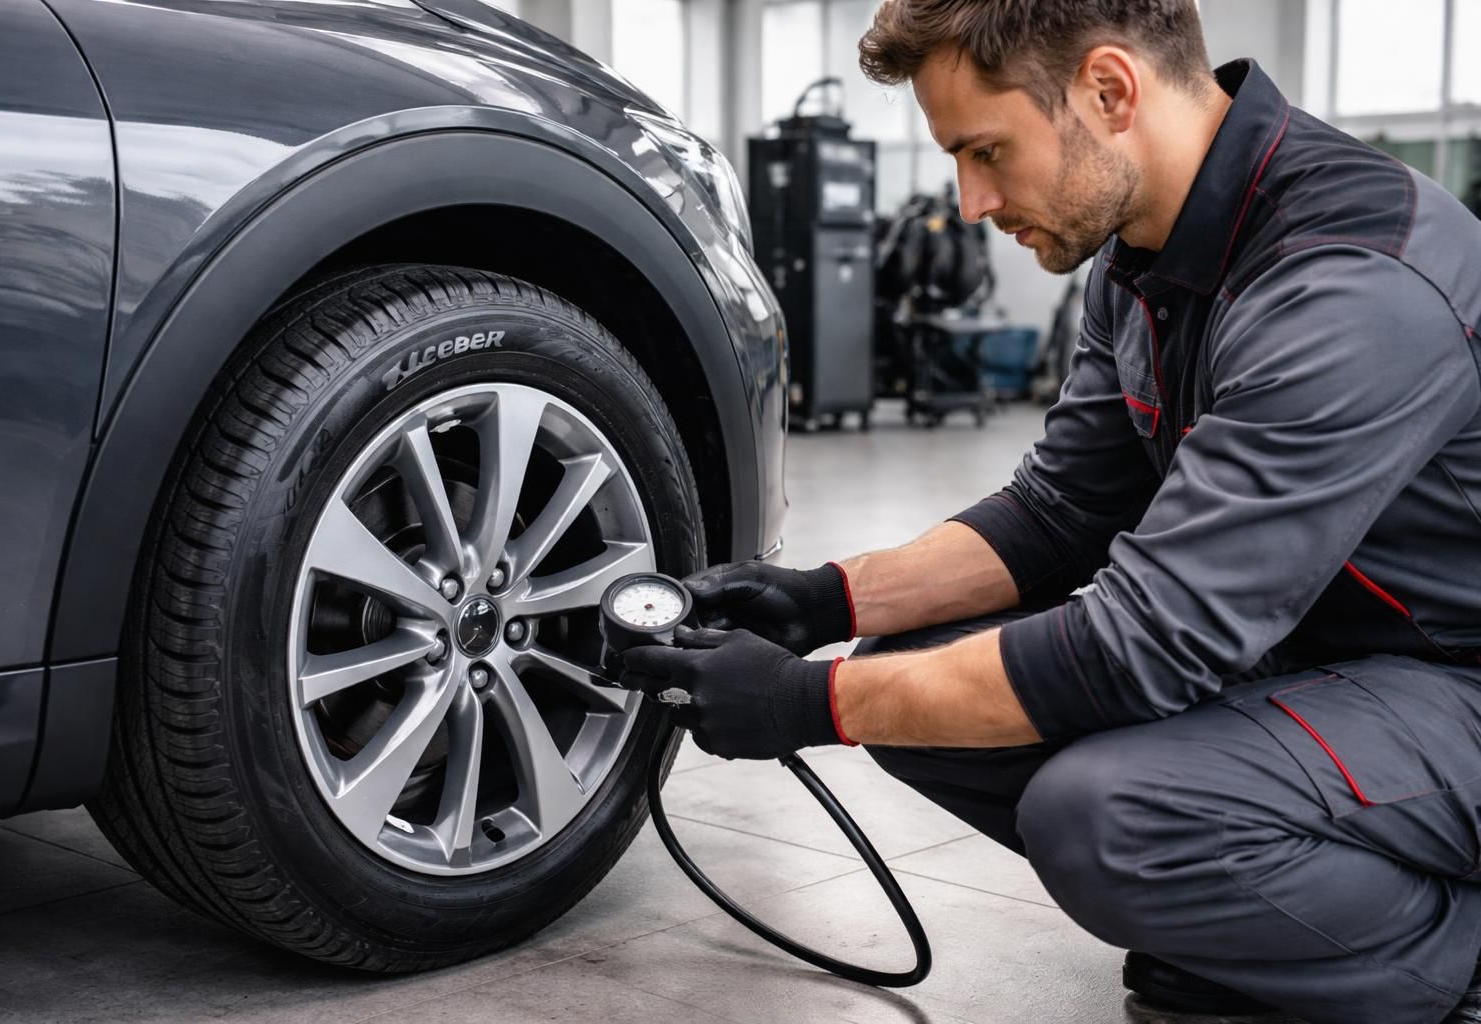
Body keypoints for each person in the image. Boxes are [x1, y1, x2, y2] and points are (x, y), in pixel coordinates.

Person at [616, 2, 1481, 1022]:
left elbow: (1143, 645)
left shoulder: (1349, 281)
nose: (970, 201)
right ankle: (1268, 926)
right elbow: (1056, 513)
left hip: (1449, 678)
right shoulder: (1142, 251)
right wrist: (825, 600)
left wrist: (808, 702)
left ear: (1110, 92)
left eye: (987, 151)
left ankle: (1444, 955)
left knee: (1105, 818)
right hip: (1315, 655)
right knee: (913, 664)